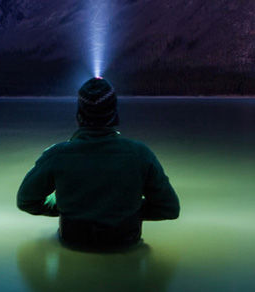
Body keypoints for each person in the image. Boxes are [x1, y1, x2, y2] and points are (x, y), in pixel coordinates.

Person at [16, 77, 179, 251]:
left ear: (79, 115)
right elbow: (169, 208)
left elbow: (26, 200)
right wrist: (127, 211)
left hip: (73, 243)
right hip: (125, 243)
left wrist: (64, 206)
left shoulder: (57, 154)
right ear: (114, 113)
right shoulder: (140, 154)